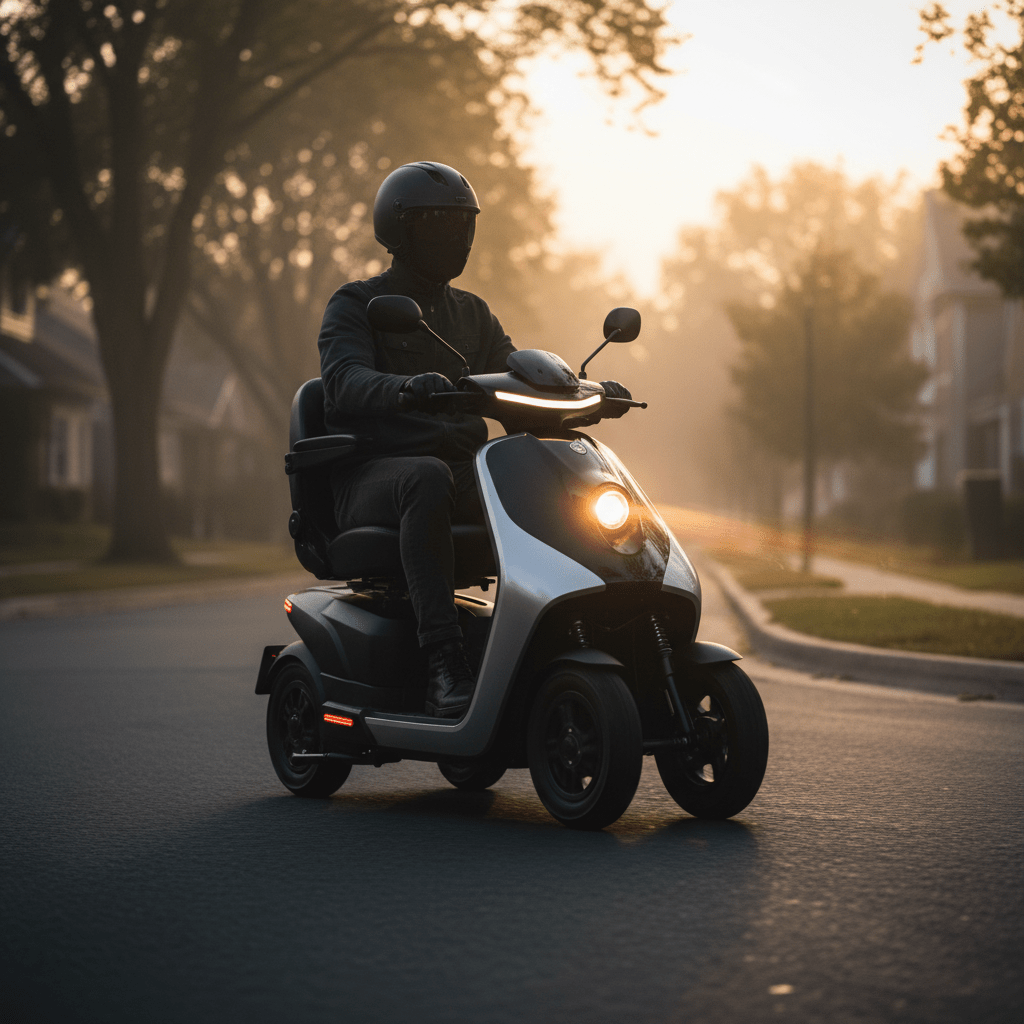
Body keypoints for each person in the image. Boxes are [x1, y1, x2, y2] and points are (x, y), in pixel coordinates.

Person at [317, 161, 629, 718]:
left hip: (460, 474)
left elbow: (514, 386)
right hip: (375, 475)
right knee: (427, 475)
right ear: (401, 230)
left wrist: (585, 395)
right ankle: (443, 661)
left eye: (462, 225)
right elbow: (342, 384)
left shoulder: (473, 314)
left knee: (547, 474)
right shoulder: (357, 304)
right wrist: (405, 387)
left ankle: (568, 636)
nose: (455, 238)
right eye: (439, 224)